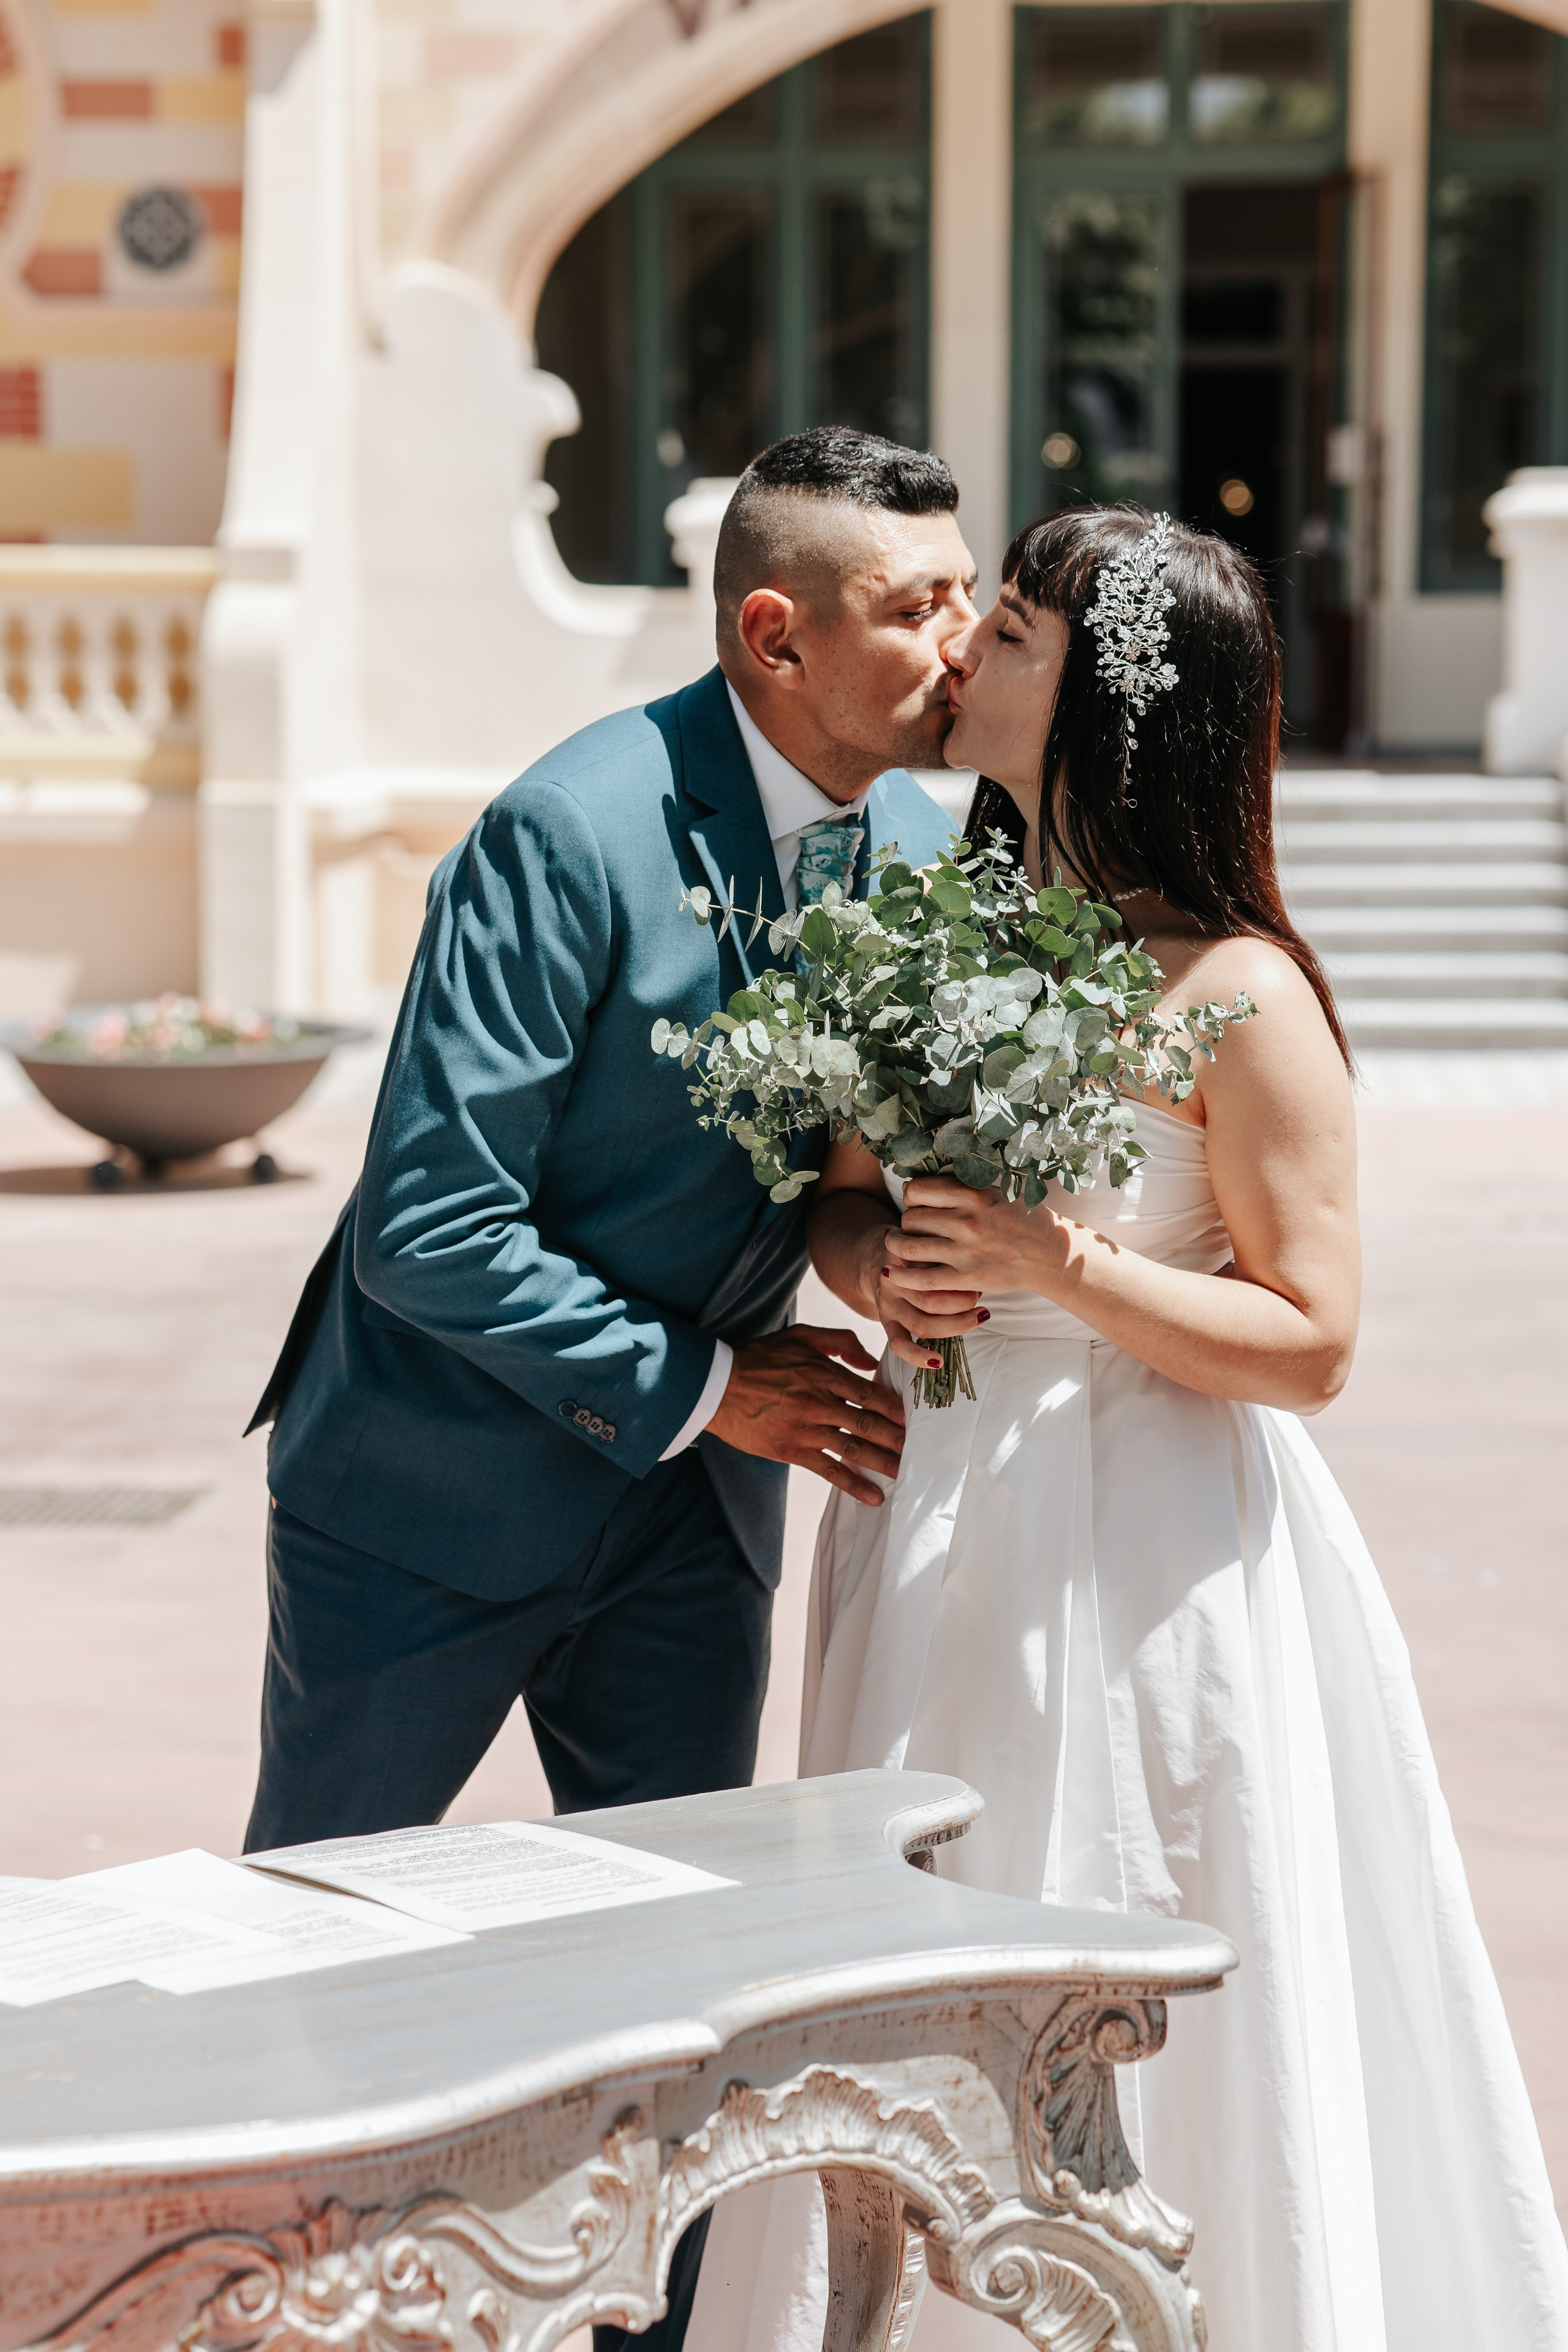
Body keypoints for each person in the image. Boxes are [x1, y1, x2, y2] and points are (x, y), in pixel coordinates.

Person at [686, 508, 1568, 2352]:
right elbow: (844, 1208)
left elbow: (1314, 1337)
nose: (960, 659)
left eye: (1005, 631)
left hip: (1159, 1553)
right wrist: (886, 1264)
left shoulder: (1239, 993)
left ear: (1106, 699)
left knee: (1135, 1935)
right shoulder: (935, 929)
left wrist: (1051, 1263)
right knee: (914, 1962)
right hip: (933, 1530)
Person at [240, 426, 975, 2352]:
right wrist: (709, 1387)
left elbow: (829, 1171)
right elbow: (424, 1223)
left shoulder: (914, 837)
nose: (962, 638)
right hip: (422, 1496)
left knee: (673, 1990)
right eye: (917, 605)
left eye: (968, 592)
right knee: (316, 1967)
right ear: (771, 634)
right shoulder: (562, 834)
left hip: (686, 1531)